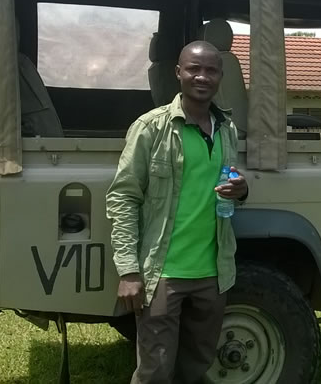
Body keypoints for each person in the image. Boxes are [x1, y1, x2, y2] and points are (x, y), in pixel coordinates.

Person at [107, 40, 248, 384]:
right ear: (178, 73)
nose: (202, 77)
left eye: (211, 70)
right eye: (194, 69)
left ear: (221, 76)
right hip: (162, 274)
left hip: (213, 272)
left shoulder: (226, 128)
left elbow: (221, 187)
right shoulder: (152, 127)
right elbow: (123, 197)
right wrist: (128, 271)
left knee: (197, 366)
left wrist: (242, 191)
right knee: (155, 371)